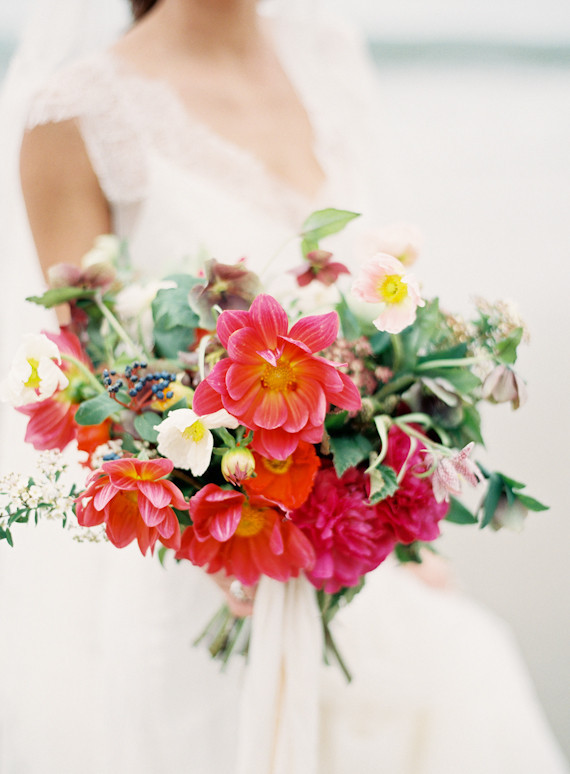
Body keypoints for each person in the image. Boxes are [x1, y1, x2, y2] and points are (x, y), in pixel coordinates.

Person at [1, 0, 568, 772]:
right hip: (210, 574)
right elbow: (99, 393)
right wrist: (232, 517)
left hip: (351, 562)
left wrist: (392, 501)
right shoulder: (72, 117)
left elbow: (376, 305)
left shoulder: (327, 52)